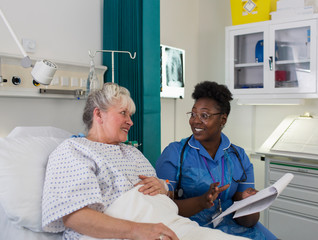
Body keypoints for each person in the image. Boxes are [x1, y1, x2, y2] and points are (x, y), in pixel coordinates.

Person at [42, 83, 178, 240]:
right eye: (123, 113)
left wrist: (164, 189)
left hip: (165, 227)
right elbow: (74, 217)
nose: (130, 122)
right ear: (99, 114)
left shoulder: (133, 153)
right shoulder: (73, 151)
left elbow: (159, 201)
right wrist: (138, 230)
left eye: (130, 115)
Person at [155, 81, 277, 240]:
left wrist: (251, 205)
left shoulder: (239, 157)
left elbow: (248, 222)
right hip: (190, 228)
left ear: (223, 120)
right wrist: (201, 202)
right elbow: (162, 208)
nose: (195, 121)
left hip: (233, 227)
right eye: (193, 114)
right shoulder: (175, 153)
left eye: (204, 115)